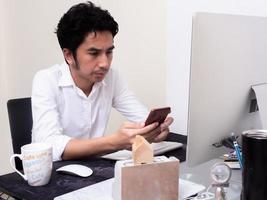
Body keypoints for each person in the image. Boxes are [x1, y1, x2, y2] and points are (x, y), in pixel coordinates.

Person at [31, 1, 173, 161]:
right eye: (94, 53)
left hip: (94, 169)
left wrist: (155, 129)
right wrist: (113, 142)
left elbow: (141, 117)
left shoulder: (112, 77)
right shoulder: (46, 80)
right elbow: (50, 145)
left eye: (109, 52)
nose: (105, 63)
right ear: (69, 55)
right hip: (54, 175)